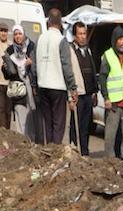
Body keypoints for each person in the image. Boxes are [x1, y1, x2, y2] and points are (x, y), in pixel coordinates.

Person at [36, 9, 77, 144]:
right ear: (60, 23)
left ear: (48, 22)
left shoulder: (40, 39)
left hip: (42, 85)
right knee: (58, 123)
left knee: (47, 122)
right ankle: (55, 150)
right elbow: (66, 66)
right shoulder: (61, 40)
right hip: (57, 86)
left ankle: (48, 147)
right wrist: (72, 87)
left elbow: (35, 63)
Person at [99, 26, 123, 165]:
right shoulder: (108, 55)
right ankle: (110, 161)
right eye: (119, 39)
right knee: (110, 134)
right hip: (113, 102)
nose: (122, 42)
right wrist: (106, 97)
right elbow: (102, 78)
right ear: (114, 41)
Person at [3, 25, 37, 141]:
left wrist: (31, 64)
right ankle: (22, 146)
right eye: (16, 34)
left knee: (31, 118)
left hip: (30, 88)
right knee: (20, 117)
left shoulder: (31, 47)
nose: (18, 36)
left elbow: (36, 66)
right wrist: (5, 68)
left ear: (24, 34)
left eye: (20, 34)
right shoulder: (10, 50)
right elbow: (9, 75)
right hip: (18, 89)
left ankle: (31, 143)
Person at [68, 22, 98, 156]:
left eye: (84, 33)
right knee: (75, 125)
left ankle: (85, 152)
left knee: (86, 126)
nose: (82, 36)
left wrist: (94, 92)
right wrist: (70, 95)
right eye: (80, 34)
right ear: (75, 35)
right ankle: (74, 150)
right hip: (77, 94)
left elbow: (92, 70)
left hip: (88, 94)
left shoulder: (87, 50)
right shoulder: (70, 50)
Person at [0, 22, 11, 129]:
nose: (3, 33)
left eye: (5, 31)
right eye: (1, 30)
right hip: (0, 82)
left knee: (8, 110)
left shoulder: (10, 46)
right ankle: (3, 133)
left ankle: (8, 132)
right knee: (1, 109)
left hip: (9, 83)